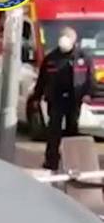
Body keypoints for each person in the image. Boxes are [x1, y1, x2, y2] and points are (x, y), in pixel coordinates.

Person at [29, 26, 92, 170]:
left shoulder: (83, 57)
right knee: (54, 131)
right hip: (55, 98)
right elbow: (42, 80)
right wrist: (36, 97)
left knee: (72, 131)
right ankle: (51, 161)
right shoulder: (51, 58)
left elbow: (89, 78)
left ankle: (73, 162)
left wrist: (88, 93)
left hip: (74, 99)